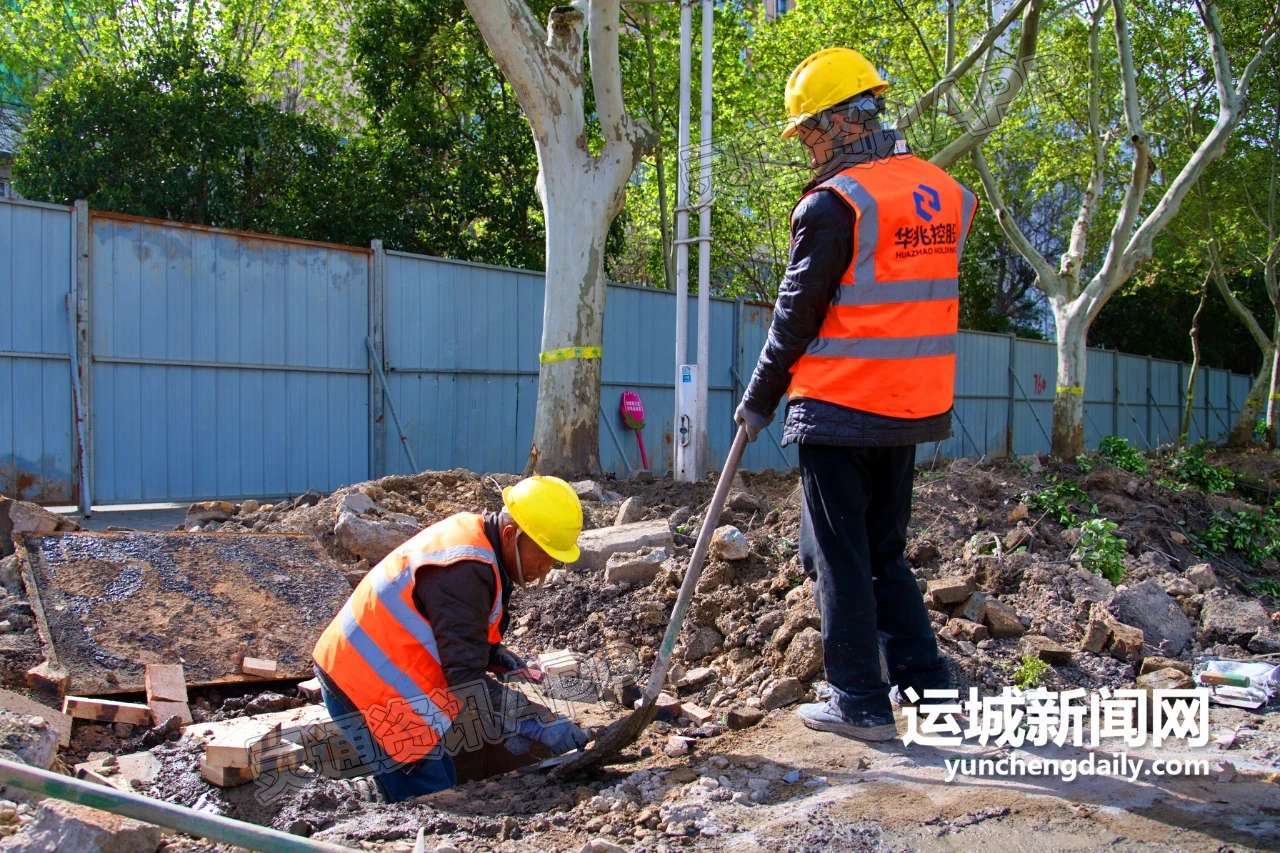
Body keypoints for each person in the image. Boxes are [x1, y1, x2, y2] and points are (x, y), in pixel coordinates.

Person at [735, 48, 978, 741]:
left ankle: (858, 699)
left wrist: (758, 398)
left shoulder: (836, 204)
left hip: (841, 406)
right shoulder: (942, 192)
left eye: (810, 130)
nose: (806, 146)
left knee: (841, 555)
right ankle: (929, 690)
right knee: (881, 550)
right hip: (912, 406)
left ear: (845, 121)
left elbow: (796, 315)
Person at [312, 475, 589, 801]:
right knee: (430, 796)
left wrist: (491, 654)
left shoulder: (479, 544)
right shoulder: (464, 570)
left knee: (442, 772)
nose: (543, 570)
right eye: (541, 557)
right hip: (364, 688)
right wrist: (534, 720)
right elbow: (466, 683)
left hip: (374, 675)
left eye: (552, 562)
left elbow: (453, 628)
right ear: (512, 534)